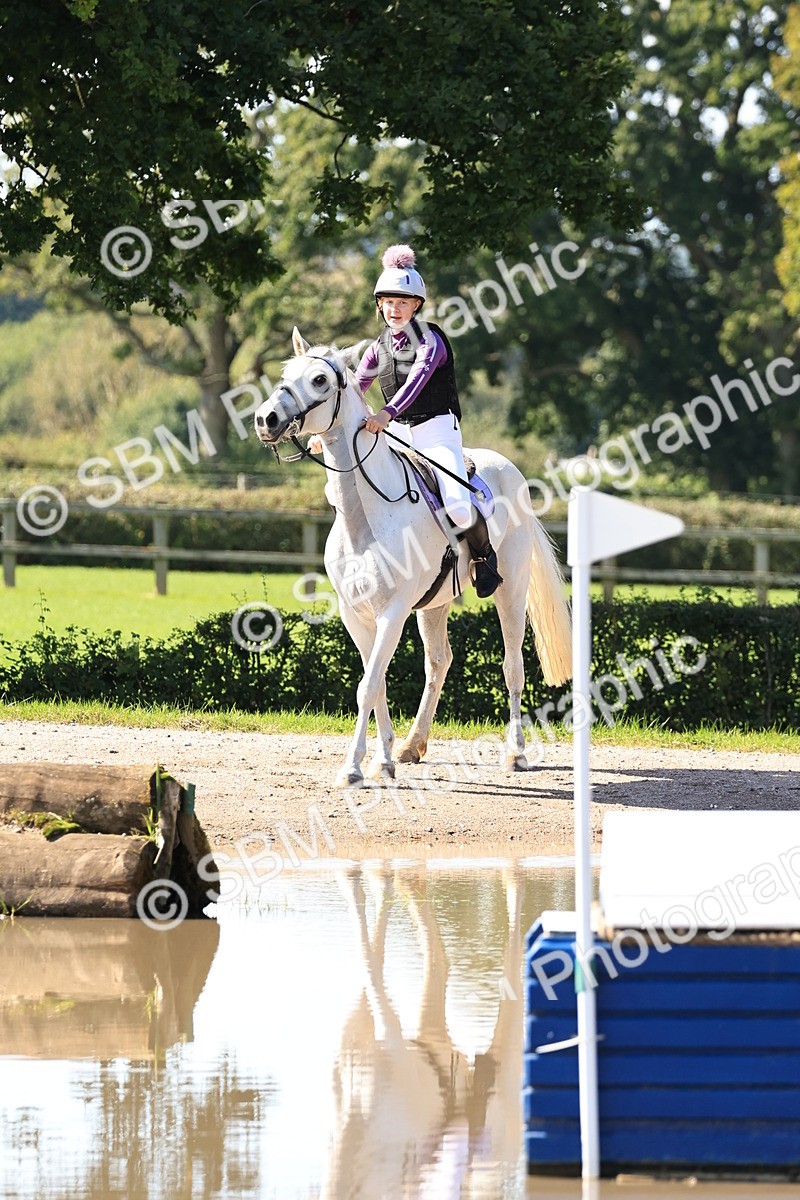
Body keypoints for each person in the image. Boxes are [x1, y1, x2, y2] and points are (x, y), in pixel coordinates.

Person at [353, 244, 503, 598]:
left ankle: (484, 558)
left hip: (437, 434)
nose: (394, 309)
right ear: (380, 305)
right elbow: (357, 385)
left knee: (459, 508)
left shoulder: (430, 341)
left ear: (416, 305)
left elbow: (415, 382)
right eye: (388, 302)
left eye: (402, 302)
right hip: (397, 437)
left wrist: (384, 415)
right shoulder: (377, 347)